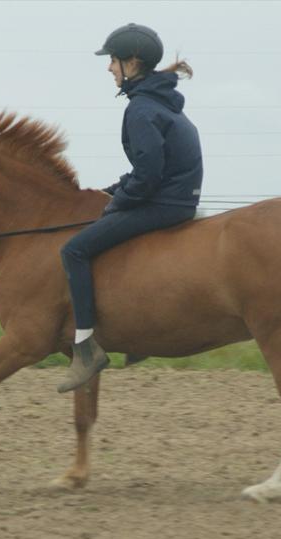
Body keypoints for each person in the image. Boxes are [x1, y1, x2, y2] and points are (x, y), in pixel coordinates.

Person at [57, 23, 204, 393]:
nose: (109, 68)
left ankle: (87, 348)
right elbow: (148, 168)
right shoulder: (158, 101)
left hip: (165, 202)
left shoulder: (140, 109)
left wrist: (117, 203)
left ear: (132, 63)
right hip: (178, 198)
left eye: (113, 61)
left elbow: (150, 174)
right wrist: (112, 190)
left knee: (74, 249)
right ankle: (136, 338)